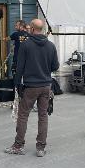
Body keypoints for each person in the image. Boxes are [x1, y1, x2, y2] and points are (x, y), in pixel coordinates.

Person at [5, 19, 59, 157]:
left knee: (23, 115)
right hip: (46, 85)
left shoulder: (26, 45)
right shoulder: (51, 46)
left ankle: (18, 145)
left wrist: (17, 85)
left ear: (33, 29)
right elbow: (55, 67)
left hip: (30, 86)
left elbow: (20, 67)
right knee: (43, 116)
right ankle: (41, 148)